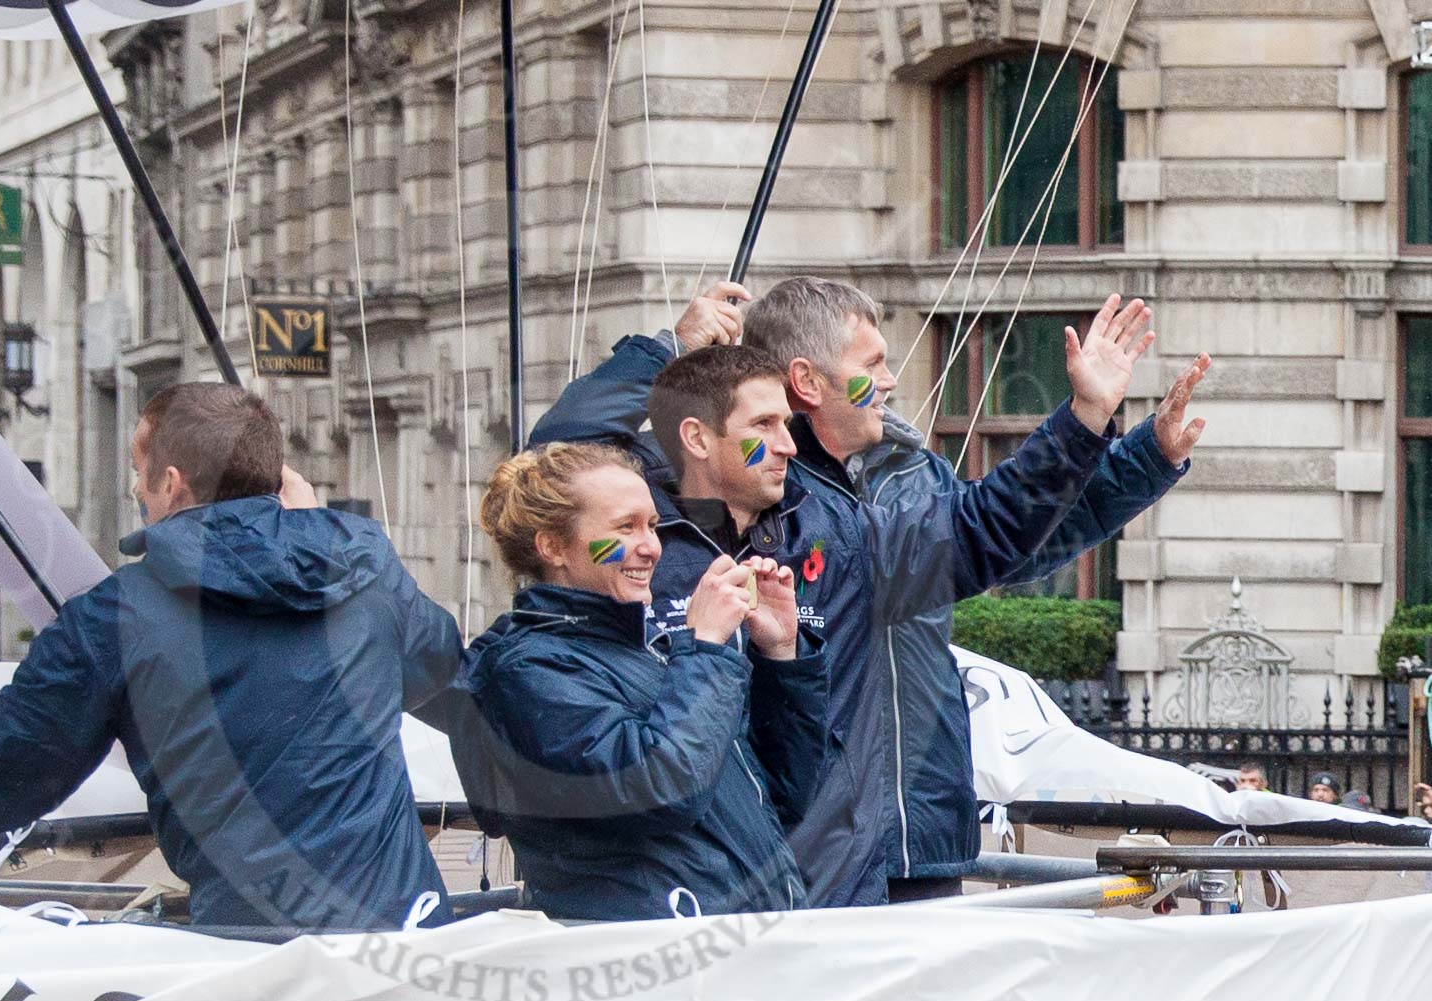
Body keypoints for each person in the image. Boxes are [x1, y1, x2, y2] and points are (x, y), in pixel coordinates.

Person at [0, 384, 461, 930]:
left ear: (170, 483)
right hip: (411, 932)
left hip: (255, 952)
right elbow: (440, 670)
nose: (135, 490)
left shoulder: (113, 617)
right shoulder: (362, 568)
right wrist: (318, 533)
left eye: (139, 471)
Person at [532, 287, 1166, 907]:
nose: (890, 382)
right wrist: (666, 350)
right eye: (764, 424)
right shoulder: (665, 525)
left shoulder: (866, 505)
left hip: (880, 856)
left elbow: (994, 533)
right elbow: (559, 461)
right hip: (738, 877)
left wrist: (1107, 434)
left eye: (782, 425)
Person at [741, 278, 1208, 902]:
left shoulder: (910, 472)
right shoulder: (766, 498)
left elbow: (1010, 540)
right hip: (819, 847)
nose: (890, 380)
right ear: (806, 380)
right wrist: (1086, 418)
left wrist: (1143, 460)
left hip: (923, 831)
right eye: (872, 364)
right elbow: (985, 528)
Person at [449, 441, 830, 921]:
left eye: (652, 524)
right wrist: (706, 646)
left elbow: (782, 797)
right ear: (553, 547)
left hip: (741, 940)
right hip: (653, 951)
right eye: (625, 527)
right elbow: (661, 790)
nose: (651, 546)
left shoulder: (651, 652)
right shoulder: (526, 672)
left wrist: (781, 657)